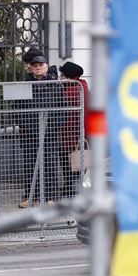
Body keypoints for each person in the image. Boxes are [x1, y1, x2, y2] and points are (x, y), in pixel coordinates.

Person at [18, 54, 62, 208]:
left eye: (41, 65)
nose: (38, 68)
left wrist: (54, 127)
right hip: (30, 132)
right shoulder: (25, 84)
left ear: (46, 66)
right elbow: (19, 108)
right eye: (35, 65)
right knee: (30, 164)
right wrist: (24, 127)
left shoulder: (55, 85)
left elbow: (62, 110)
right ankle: (31, 196)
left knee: (49, 164)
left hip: (49, 132)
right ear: (31, 67)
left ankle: (51, 197)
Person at [58, 61, 89, 198]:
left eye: (62, 75)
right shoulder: (82, 86)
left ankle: (71, 192)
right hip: (78, 134)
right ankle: (72, 191)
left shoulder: (72, 89)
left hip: (70, 134)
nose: (60, 77)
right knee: (76, 165)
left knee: (70, 165)